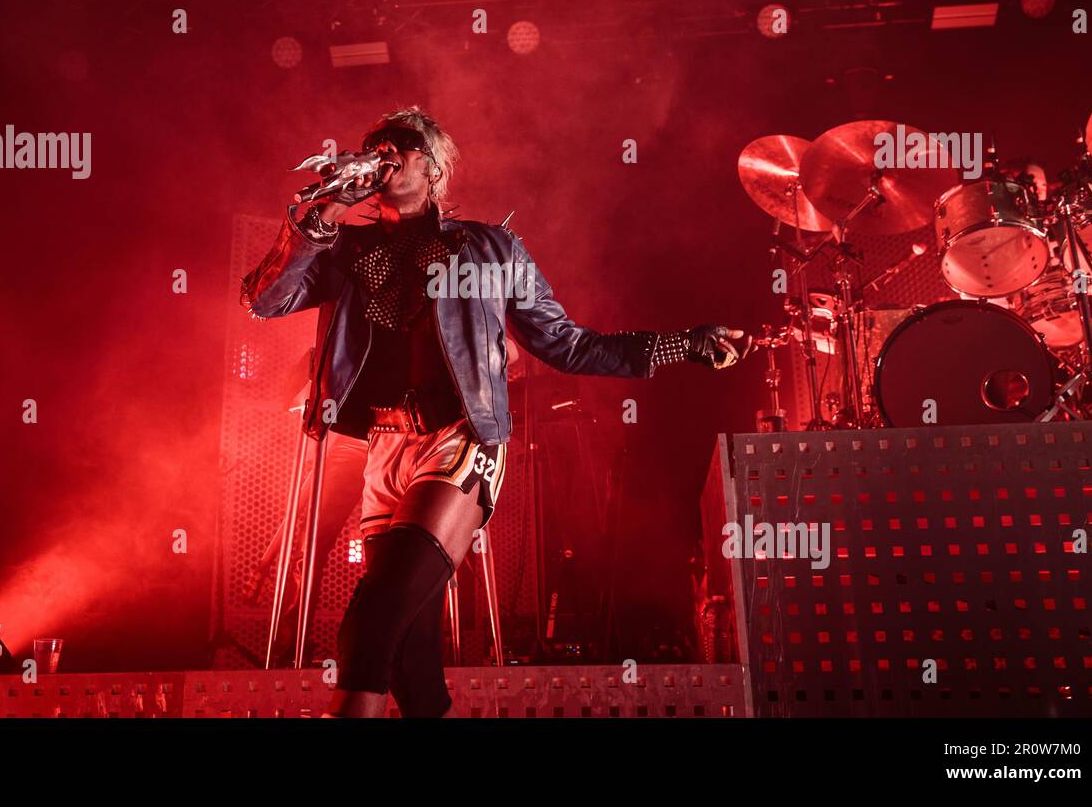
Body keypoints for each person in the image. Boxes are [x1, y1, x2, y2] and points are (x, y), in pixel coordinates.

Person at [240, 106, 749, 717]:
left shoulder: (488, 248)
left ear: (432, 169)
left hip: (458, 441)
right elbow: (265, 300)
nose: (383, 153)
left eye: (400, 145)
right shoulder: (347, 247)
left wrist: (680, 344)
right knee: (410, 660)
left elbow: (568, 343)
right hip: (382, 451)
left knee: (372, 621)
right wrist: (323, 210)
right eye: (373, 145)